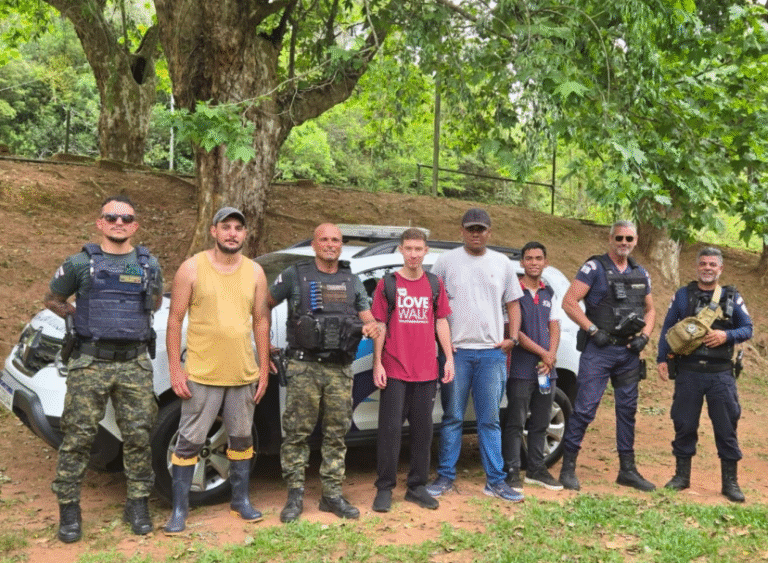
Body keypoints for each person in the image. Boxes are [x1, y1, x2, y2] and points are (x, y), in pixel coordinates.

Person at [45, 195, 163, 543]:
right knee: (78, 437)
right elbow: (52, 299)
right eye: (111, 217)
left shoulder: (148, 265)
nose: (118, 223)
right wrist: (76, 315)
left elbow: (154, 302)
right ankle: (69, 510)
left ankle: (137, 504)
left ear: (135, 225)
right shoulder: (80, 264)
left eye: (126, 218)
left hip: (134, 363)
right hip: (90, 361)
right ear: (100, 223)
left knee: (140, 436)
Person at [164, 207, 270, 533]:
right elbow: (175, 320)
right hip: (202, 373)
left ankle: (240, 500)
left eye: (238, 228)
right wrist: (175, 370)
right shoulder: (192, 268)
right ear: (214, 231)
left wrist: (263, 369)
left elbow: (261, 320)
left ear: (244, 234)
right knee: (189, 442)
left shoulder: (255, 272)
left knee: (240, 438)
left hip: (242, 373)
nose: (232, 233)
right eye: (226, 227)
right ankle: (179, 509)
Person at [268, 223, 381, 522]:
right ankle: (294, 496)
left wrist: (372, 327)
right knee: (296, 433)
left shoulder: (352, 281)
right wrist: (264, 343)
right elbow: (263, 305)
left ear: (340, 245)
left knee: (336, 433)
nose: (330, 244)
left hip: (340, 369)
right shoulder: (296, 275)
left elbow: (370, 320)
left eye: (335, 240)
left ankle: (332, 494)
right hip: (304, 366)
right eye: (324, 239)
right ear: (315, 244)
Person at [425, 208, 524, 503]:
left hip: (492, 354)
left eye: (481, 229)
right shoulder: (446, 262)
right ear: (461, 231)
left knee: (490, 420)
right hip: (456, 353)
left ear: (489, 232)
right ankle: (445, 476)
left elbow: (514, 305)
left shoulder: (502, 263)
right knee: (452, 416)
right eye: (470, 229)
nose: (476, 234)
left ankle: (495, 480)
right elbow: (431, 303)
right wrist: (439, 344)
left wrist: (513, 338)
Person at [558, 220, 656, 492]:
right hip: (599, 351)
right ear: (610, 239)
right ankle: (568, 469)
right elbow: (569, 301)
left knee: (627, 411)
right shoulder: (594, 268)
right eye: (620, 238)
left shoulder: (640, 272)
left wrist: (645, 337)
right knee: (585, 408)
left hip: (628, 354)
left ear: (635, 241)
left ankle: (627, 470)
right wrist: (591, 329)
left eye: (629, 239)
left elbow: (650, 310)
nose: (624, 243)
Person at [657, 247, 752, 502]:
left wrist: (726, 335)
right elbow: (668, 328)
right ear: (697, 267)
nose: (707, 268)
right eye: (703, 264)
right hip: (688, 372)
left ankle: (730, 483)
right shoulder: (683, 295)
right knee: (684, 423)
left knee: (726, 426)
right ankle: (681, 476)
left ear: (720, 269)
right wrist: (661, 359)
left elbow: (747, 328)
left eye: (712, 264)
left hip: (720, 374)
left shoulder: (731, 297)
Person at [370, 228, 455, 513]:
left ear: (426, 251)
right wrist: (377, 363)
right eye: (409, 248)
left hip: (427, 371)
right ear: (401, 250)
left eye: (419, 249)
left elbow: (441, 322)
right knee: (390, 431)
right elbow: (379, 325)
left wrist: (449, 358)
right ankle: (384, 488)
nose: (414, 254)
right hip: (395, 369)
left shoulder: (434, 284)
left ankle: (417, 487)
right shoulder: (388, 284)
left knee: (423, 431)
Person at [501, 241, 563, 492]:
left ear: (545, 262)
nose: (534, 262)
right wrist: (544, 354)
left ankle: (537, 469)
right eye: (529, 258)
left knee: (540, 421)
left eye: (538, 258)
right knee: (515, 422)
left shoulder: (550, 293)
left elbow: (554, 325)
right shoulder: (513, 293)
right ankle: (512, 471)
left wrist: (551, 357)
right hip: (521, 369)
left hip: (546, 372)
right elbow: (515, 332)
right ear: (522, 263)